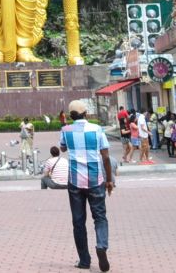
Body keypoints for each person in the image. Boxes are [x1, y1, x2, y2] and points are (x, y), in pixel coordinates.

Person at [60, 99, 116, 271]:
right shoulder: (97, 129)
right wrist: (109, 180)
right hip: (95, 179)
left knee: (78, 221)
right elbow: (105, 157)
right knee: (99, 217)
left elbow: (62, 149)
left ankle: (84, 260)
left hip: (75, 181)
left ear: (71, 115)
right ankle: (101, 246)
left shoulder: (66, 130)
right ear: (86, 113)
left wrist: (64, 125)